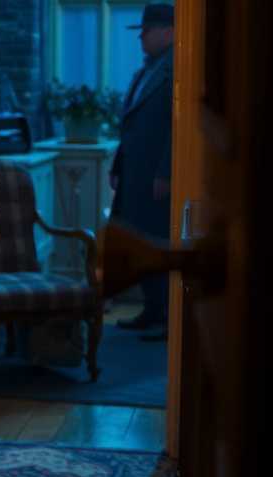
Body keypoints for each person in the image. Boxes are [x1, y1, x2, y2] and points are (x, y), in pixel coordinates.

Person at [109, 2, 175, 341]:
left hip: (154, 176)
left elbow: (176, 128)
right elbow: (130, 124)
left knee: (157, 239)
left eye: (147, 31)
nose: (141, 38)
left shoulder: (176, 69)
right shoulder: (147, 70)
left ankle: (166, 315)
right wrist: (118, 165)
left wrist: (166, 172)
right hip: (136, 174)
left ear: (168, 31)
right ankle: (152, 309)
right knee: (142, 239)